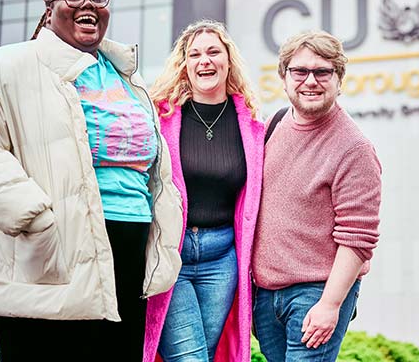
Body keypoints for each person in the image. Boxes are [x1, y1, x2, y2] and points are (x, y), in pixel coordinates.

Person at [0, 0, 183, 362]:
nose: (89, 4)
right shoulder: (5, 66)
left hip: (128, 248)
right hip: (48, 249)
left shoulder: (127, 78)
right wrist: (32, 215)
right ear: (49, 11)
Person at [251, 30, 382, 361]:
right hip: (266, 296)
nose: (310, 81)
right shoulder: (274, 126)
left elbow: (358, 238)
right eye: (300, 71)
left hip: (317, 293)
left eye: (322, 72)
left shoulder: (355, 148)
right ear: (284, 78)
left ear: (339, 79)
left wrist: (330, 304)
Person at [144, 20, 264, 362]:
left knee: (205, 355)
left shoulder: (252, 124)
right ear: (184, 64)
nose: (204, 61)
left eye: (213, 52)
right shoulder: (162, 117)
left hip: (222, 258)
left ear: (229, 60)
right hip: (172, 256)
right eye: (194, 54)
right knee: (190, 357)